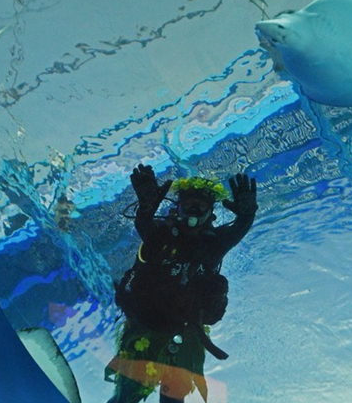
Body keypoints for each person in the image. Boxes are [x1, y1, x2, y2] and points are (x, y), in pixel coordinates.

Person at [106, 164, 258, 403]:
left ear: (211, 213)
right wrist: (145, 208)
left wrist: (247, 216)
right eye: (189, 206)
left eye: (201, 207)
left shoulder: (214, 244)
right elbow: (144, 225)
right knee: (128, 395)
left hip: (185, 333)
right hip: (145, 326)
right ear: (178, 208)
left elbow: (237, 231)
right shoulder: (161, 235)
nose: (194, 213)